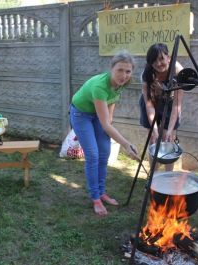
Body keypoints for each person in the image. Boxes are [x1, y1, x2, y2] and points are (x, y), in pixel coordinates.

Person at [70, 50, 140, 216]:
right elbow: (105, 123)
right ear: (112, 69)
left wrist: (109, 123)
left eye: (128, 71)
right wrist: (126, 144)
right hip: (81, 114)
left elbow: (111, 105)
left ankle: (101, 192)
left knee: (105, 152)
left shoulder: (122, 84)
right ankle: (95, 197)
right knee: (93, 155)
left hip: (98, 114)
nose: (123, 75)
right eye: (120, 70)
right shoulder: (100, 86)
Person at [139, 43, 184, 171]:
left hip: (170, 104)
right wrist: (154, 129)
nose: (158, 64)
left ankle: (168, 176)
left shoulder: (178, 72)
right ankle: (153, 177)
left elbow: (176, 105)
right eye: (154, 61)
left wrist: (170, 130)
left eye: (161, 59)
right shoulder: (147, 74)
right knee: (154, 140)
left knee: (169, 140)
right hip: (151, 103)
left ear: (168, 57)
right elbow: (149, 104)